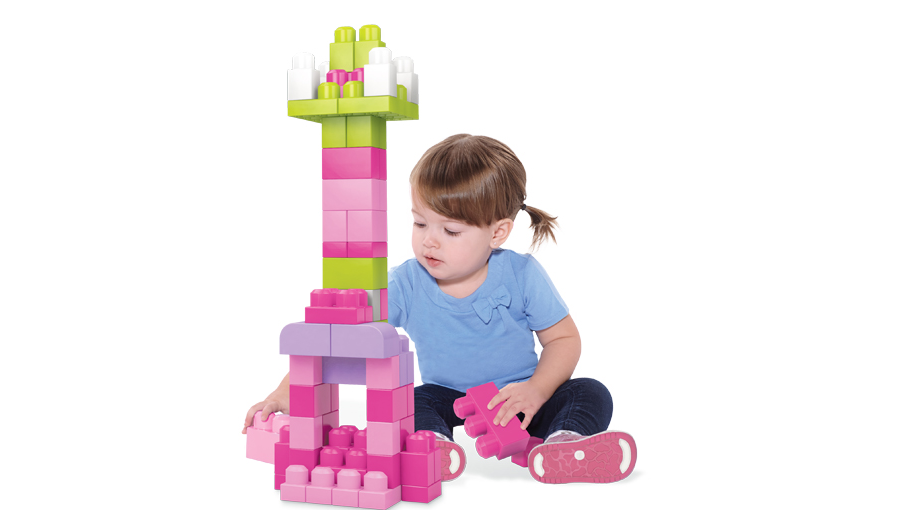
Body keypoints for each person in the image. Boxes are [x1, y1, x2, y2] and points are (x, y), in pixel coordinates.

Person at [244, 134, 636, 484]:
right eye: (420, 224)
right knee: (411, 402)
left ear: (497, 232)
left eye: (450, 231)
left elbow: (563, 339)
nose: (430, 241)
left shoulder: (522, 274)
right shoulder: (406, 283)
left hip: (519, 395)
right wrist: (287, 391)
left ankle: (565, 445)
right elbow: (343, 338)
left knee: (590, 391)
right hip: (447, 395)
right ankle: (432, 446)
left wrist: (537, 389)